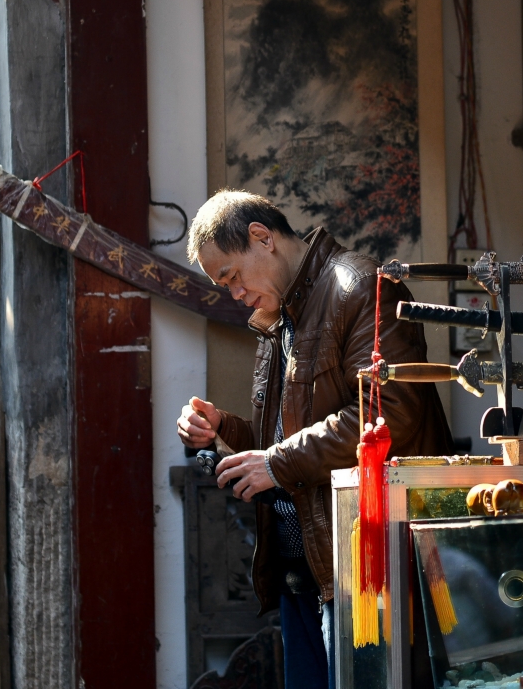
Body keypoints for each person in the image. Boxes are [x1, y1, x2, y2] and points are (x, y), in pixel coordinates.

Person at [176, 190, 454, 689]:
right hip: (306, 568)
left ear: (262, 238)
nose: (234, 295)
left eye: (232, 277)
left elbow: (392, 413)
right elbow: (284, 435)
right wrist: (223, 428)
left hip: (366, 566)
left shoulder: (360, 287)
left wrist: (277, 463)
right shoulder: (283, 314)